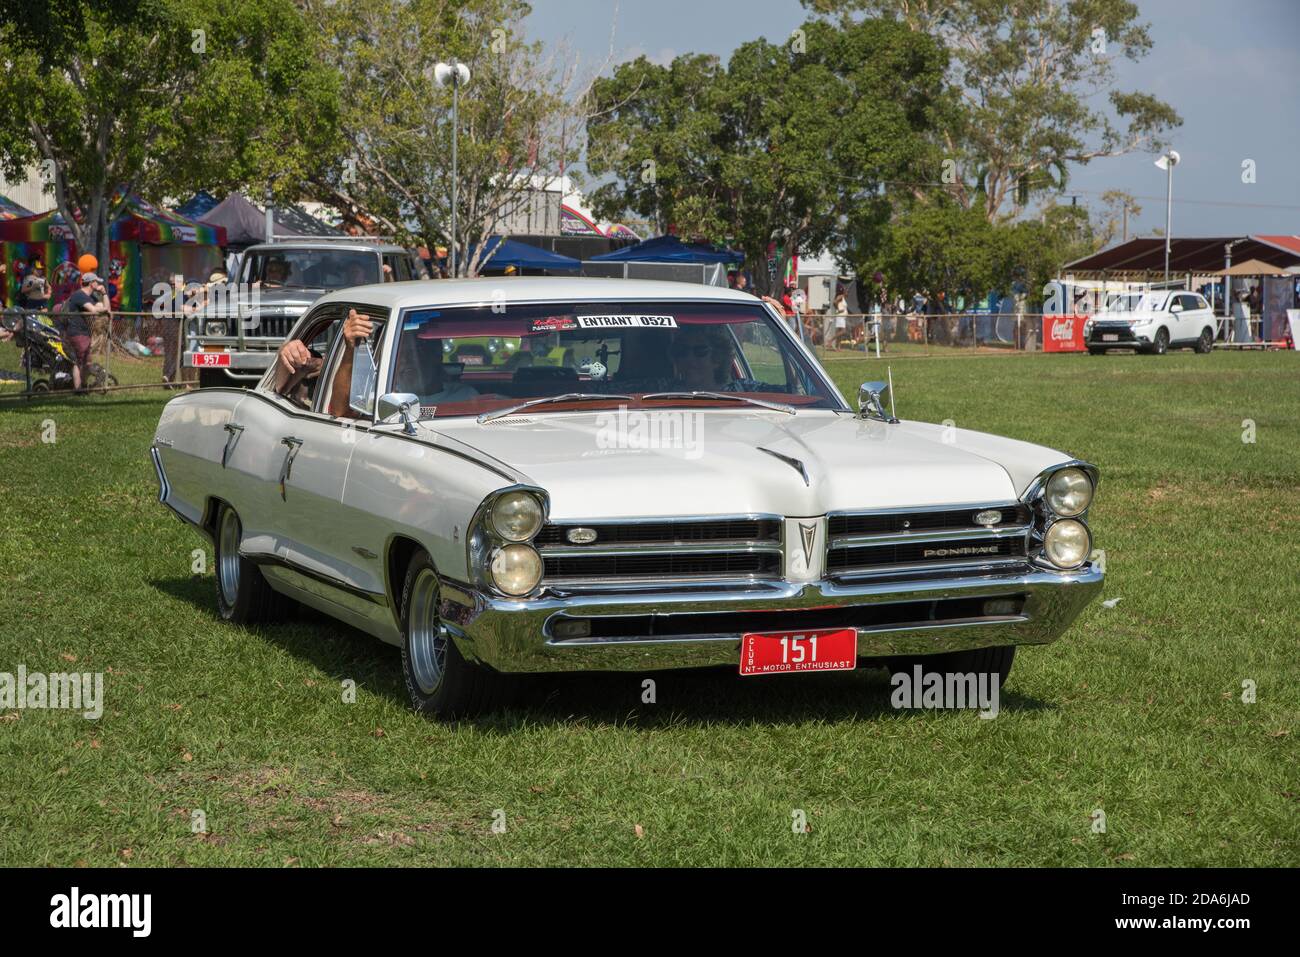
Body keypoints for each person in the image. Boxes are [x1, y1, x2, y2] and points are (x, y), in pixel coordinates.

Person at [59, 272, 110, 392]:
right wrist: (100, 309)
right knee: (83, 362)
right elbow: (93, 310)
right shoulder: (79, 295)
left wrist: (104, 293)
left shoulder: (90, 297)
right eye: (96, 281)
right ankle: (80, 389)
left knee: (82, 362)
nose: (98, 284)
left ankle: (81, 388)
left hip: (83, 333)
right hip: (76, 332)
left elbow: (106, 309)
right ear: (92, 283)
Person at [669, 325, 733, 391]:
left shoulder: (736, 393)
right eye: (683, 350)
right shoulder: (663, 393)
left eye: (700, 350)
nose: (690, 358)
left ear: (718, 358)